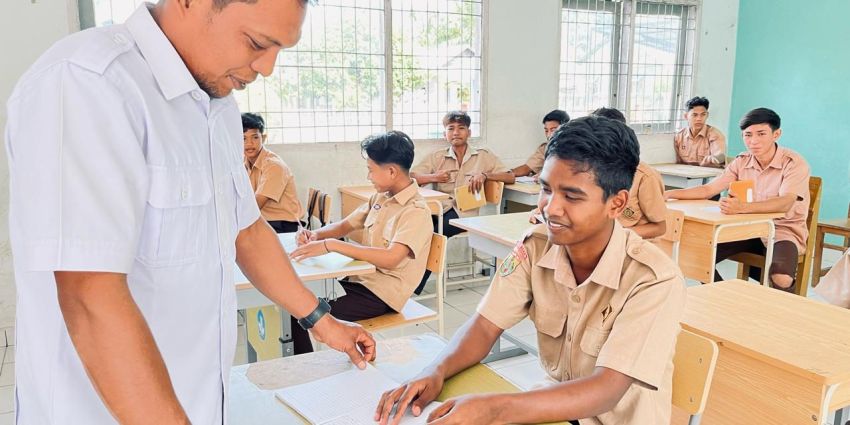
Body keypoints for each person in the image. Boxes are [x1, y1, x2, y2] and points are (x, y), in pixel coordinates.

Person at [4, 1, 374, 423]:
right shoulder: (88, 82)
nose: (268, 68)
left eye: (280, 50)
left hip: (190, 401)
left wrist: (322, 321)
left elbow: (246, 231)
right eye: (256, 43)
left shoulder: (216, 104)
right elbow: (90, 294)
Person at [376, 116, 686, 425]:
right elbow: (485, 326)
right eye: (546, 189)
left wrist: (492, 409)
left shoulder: (653, 279)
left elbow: (607, 389)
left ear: (616, 205)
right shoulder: (536, 247)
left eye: (572, 196)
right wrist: (435, 371)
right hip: (554, 409)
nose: (550, 208)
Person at [288, 131, 433, 354]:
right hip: (360, 282)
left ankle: (304, 367)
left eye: (371, 170)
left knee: (302, 310)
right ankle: (303, 364)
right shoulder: (380, 198)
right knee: (295, 299)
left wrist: (333, 245)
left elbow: (392, 258)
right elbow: (345, 225)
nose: (369, 177)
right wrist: (316, 235)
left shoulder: (415, 211)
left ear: (392, 171)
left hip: (381, 294)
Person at [665, 108, 810, 292]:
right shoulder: (741, 161)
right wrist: (669, 194)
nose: (753, 141)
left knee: (781, 277)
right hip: (745, 228)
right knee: (698, 258)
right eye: (747, 135)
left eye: (761, 134)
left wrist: (742, 207)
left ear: (776, 134)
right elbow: (709, 189)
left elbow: (786, 202)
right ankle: (727, 300)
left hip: (783, 231)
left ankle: (782, 316)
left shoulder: (793, 163)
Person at [532, 107, 667, 240]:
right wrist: (540, 213)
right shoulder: (582, 169)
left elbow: (659, 227)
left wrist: (613, 236)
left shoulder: (645, 177)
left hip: (631, 246)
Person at [243, 112, 304, 233]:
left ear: (263, 138)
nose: (249, 144)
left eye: (255, 137)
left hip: (284, 225)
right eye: (243, 138)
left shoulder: (273, 166)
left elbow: (255, 206)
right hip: (264, 221)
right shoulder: (242, 161)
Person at [511, 109, 570, 177]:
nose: (549, 135)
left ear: (566, 128)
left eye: (553, 130)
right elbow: (527, 168)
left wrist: (546, 175)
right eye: (546, 130)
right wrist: (507, 174)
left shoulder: (576, 147)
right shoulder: (545, 148)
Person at [673, 96, 727, 168]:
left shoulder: (715, 135)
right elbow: (678, 162)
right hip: (685, 175)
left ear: (707, 115)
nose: (699, 119)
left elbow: (720, 157)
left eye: (703, 115)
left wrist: (716, 159)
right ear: (686, 116)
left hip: (708, 175)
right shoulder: (679, 136)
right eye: (694, 115)